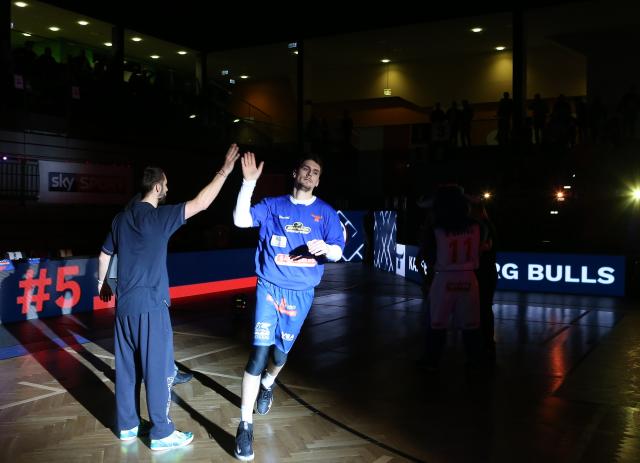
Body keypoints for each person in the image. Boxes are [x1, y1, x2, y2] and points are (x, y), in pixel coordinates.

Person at [97, 144, 241, 450]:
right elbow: (202, 202)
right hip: (151, 306)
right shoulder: (160, 217)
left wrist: (104, 284)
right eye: (166, 184)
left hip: (124, 308)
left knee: (127, 370)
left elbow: (104, 255)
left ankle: (127, 426)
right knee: (158, 368)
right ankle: (161, 433)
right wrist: (225, 171)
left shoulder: (120, 219)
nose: (168, 189)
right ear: (157, 187)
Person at [232, 153, 345, 461]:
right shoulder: (273, 205)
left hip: (301, 294)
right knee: (258, 354)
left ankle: (269, 383)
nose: (310, 174)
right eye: (305, 169)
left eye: (316, 172)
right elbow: (240, 220)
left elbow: (338, 251)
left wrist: (327, 249)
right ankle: (245, 426)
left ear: (318, 180)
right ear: (295, 173)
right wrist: (248, 183)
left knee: (280, 356)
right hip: (269, 287)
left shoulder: (326, 213)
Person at [422, 185, 482, 370]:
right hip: (469, 277)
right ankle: (475, 361)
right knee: (471, 325)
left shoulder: (436, 228)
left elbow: (429, 256)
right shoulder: (476, 226)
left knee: (437, 323)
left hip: (444, 278)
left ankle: (432, 362)